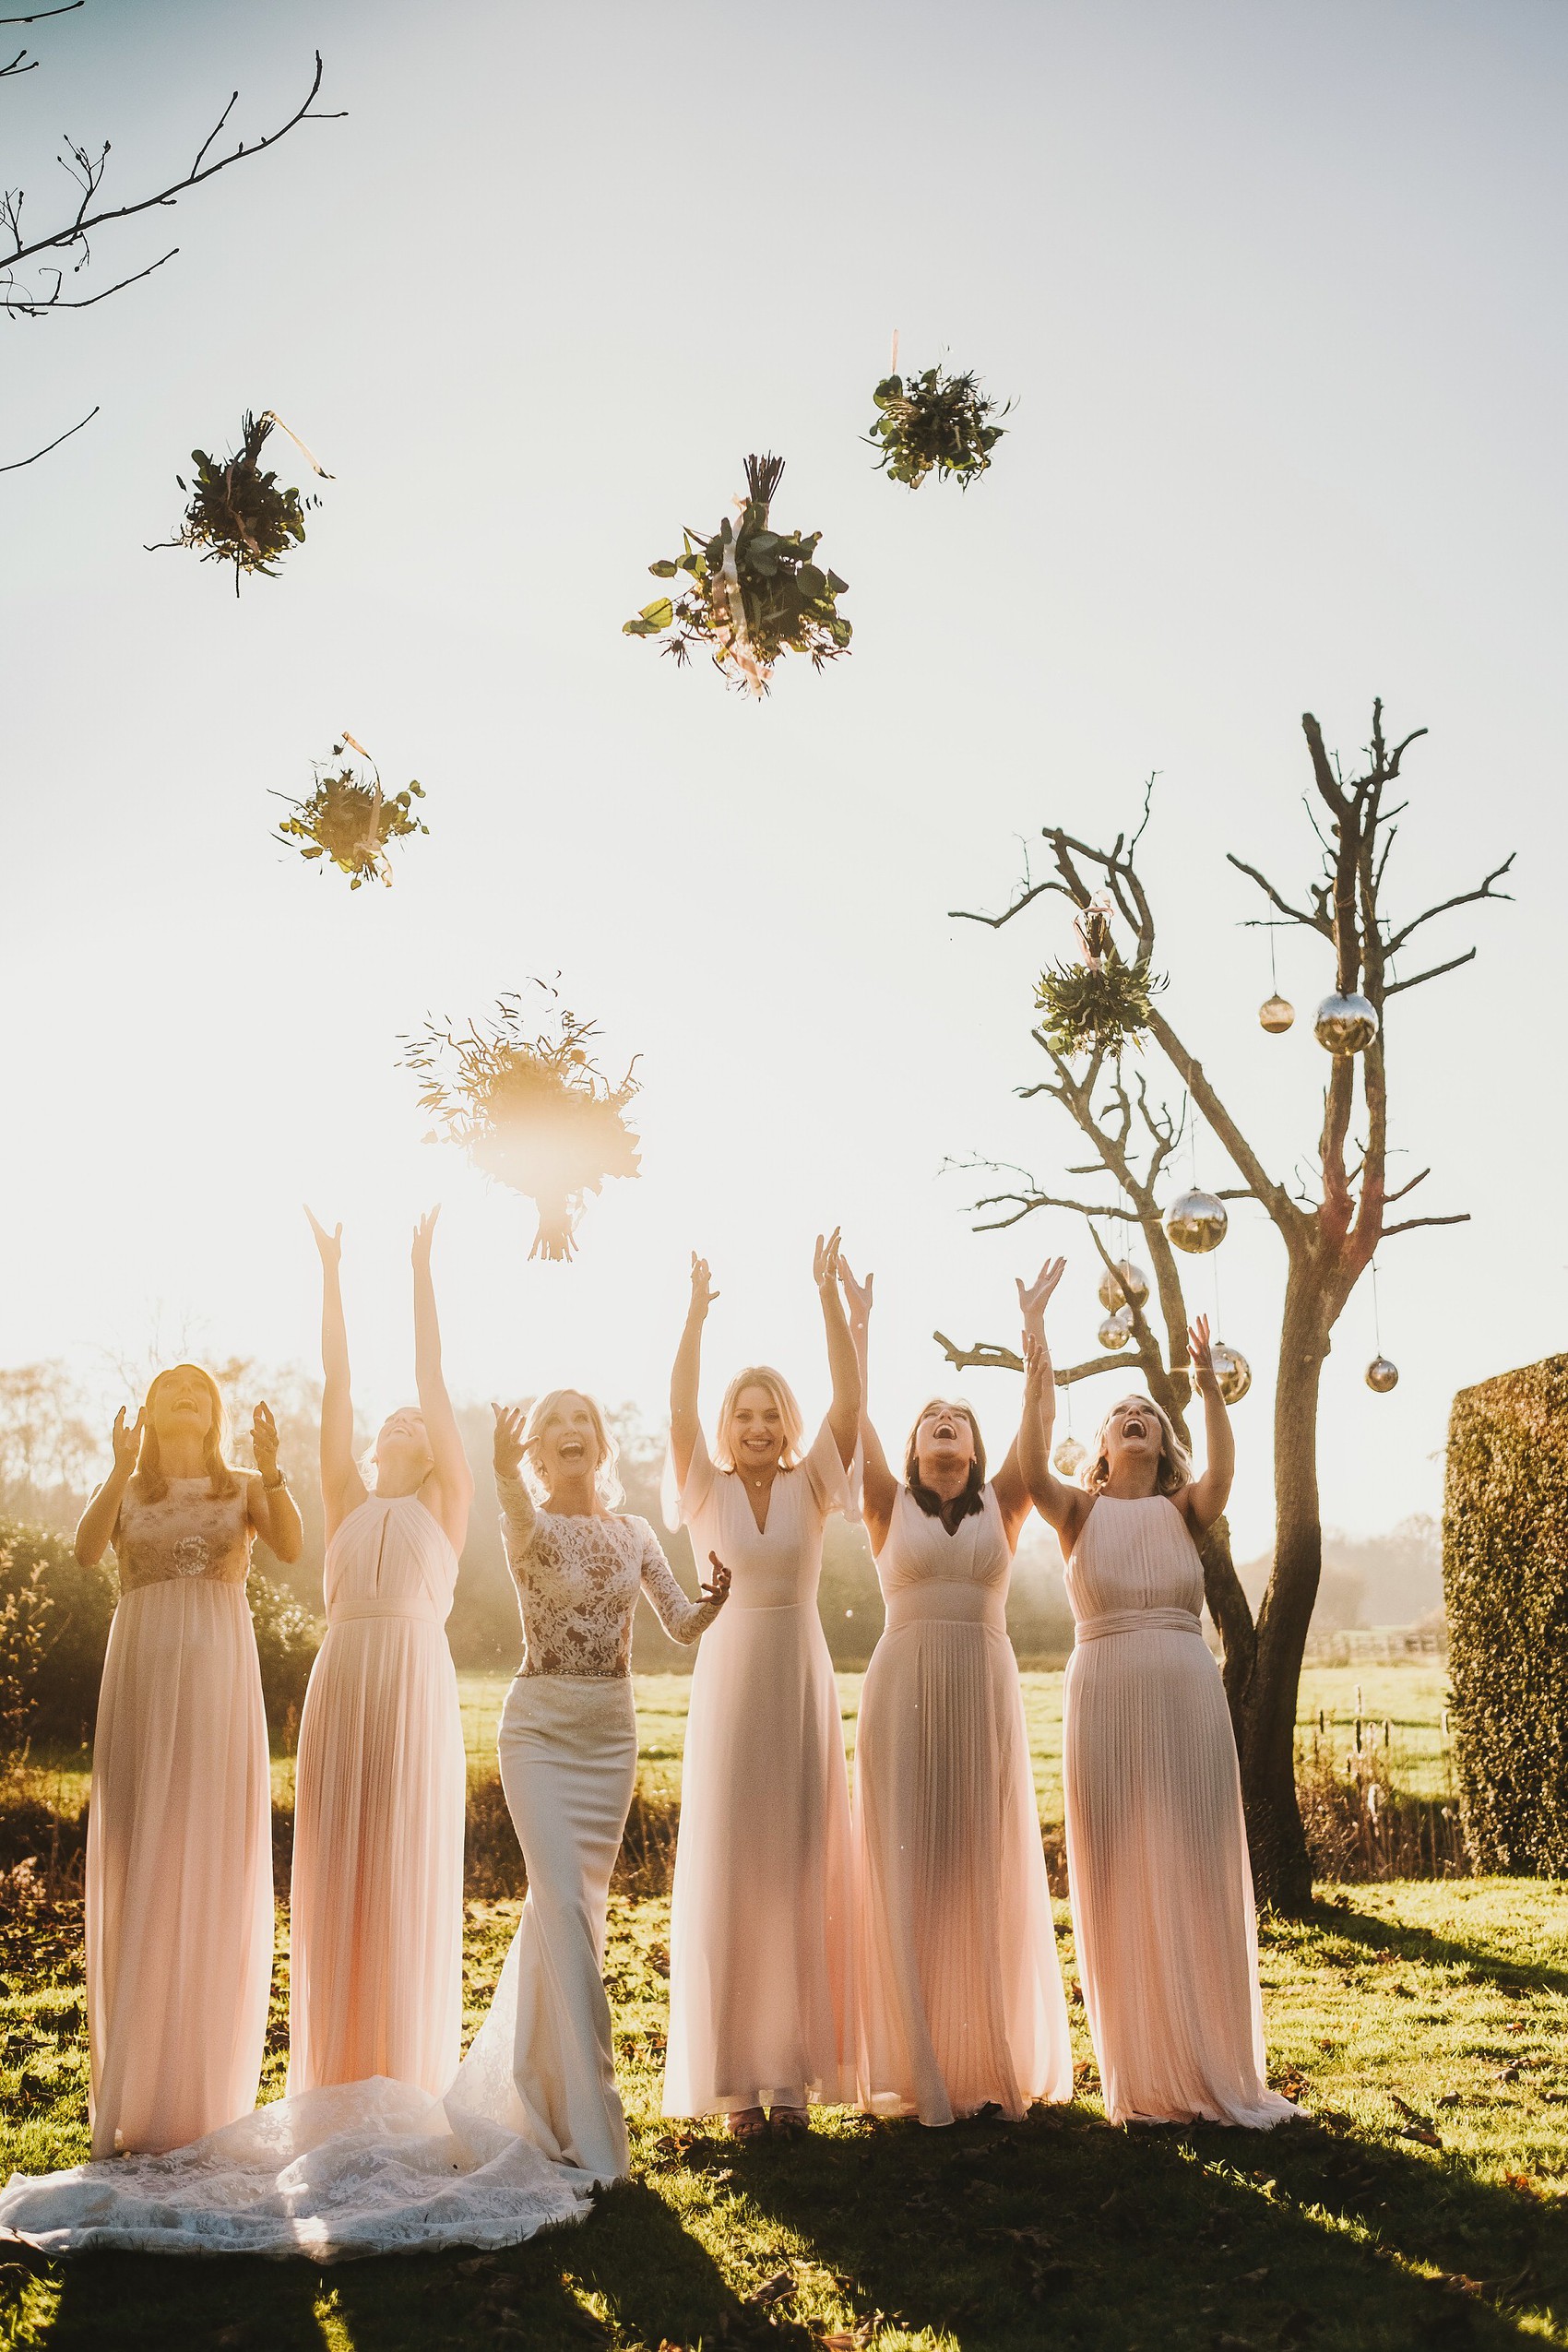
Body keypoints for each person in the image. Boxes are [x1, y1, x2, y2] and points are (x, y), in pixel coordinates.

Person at [1022, 1290, 1299, 2129]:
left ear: (1162, 1441)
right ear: (1101, 1448)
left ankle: (1211, 2061)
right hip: (1102, 1692)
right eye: (1121, 1413)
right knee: (1116, 1868)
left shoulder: (1186, 1511)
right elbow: (1032, 1470)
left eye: (1148, 1411)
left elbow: (1225, 1472)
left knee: (1192, 1860)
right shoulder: (1077, 1512)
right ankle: (1141, 2079)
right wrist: (1038, 1350)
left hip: (1183, 1692)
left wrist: (1206, 1385)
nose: (1135, 1416)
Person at [452, 1387, 730, 2183]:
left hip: (609, 1736)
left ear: (602, 1445)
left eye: (584, 1422)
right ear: (537, 1453)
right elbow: (511, 1508)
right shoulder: (528, 1526)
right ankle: (601, 2136)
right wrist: (501, 1471)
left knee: (570, 1918)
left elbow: (678, 1623)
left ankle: (535, 2096)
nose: (571, 1433)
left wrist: (715, 1601)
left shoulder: (636, 1532)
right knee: (565, 1906)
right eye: (555, 1427)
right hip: (538, 1731)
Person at [842, 1259, 1072, 2127]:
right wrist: (860, 1327)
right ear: (913, 1447)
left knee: (975, 1863)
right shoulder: (882, 1501)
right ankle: (914, 2064)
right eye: (930, 1419)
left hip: (981, 1690)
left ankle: (983, 2058)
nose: (943, 1425)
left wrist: (1034, 1333)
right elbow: (851, 1417)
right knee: (906, 1864)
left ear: (973, 1450)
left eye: (957, 1420)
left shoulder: (1005, 1505)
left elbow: (1038, 1425)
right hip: (901, 1689)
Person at [73, 1363, 302, 2156]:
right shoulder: (130, 1495)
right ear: (155, 1411)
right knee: (144, 1864)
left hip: (214, 1689)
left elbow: (294, 1544)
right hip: (140, 1681)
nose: (185, 1397)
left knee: (204, 1863)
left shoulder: (241, 1487)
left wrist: (273, 1468)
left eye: (199, 1392)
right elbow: (83, 1552)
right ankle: (133, 2090)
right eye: (172, 1387)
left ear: (214, 1415)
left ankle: (200, 2097)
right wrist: (113, 1468)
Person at [661, 1234, 861, 2142]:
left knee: (795, 1872)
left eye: (769, 1414)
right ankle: (738, 2082)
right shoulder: (699, 1486)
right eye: (743, 1414)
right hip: (732, 1685)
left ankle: (790, 2079)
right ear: (726, 1423)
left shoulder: (814, 1484)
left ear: (786, 1423)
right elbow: (673, 1410)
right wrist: (695, 1317)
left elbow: (851, 1402)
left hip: (799, 1677)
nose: (756, 1427)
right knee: (737, 1874)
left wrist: (826, 1297)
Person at [289, 1207, 472, 2098]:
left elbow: (430, 1376)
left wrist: (420, 1268)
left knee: (398, 1862)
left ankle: (402, 2073)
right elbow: (336, 1380)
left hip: (411, 1683)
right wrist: (330, 1271)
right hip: (344, 1675)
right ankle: (334, 2072)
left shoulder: (448, 1499)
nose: (403, 1419)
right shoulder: (343, 1496)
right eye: (391, 1418)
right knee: (336, 1865)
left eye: (416, 1420)